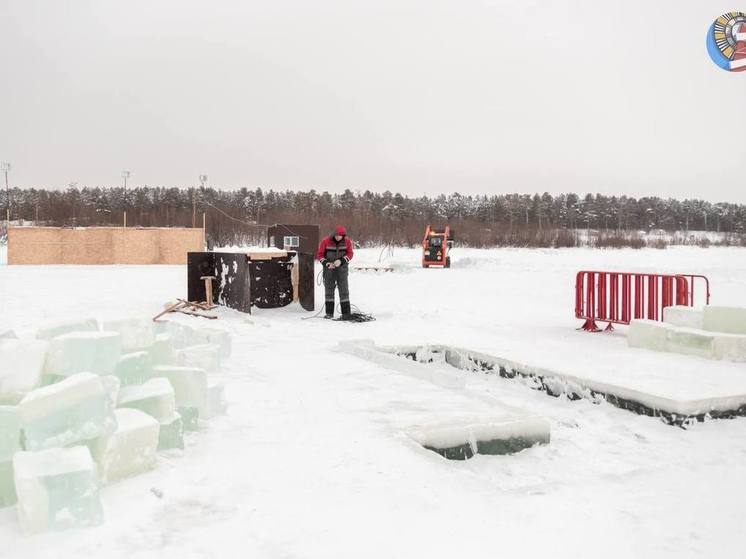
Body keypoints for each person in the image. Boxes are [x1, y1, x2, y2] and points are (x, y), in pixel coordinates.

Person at [316, 225, 354, 318]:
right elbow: (319, 255)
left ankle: (346, 313)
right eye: (336, 235)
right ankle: (329, 313)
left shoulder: (347, 241)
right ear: (333, 234)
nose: (338, 237)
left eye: (340, 236)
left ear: (343, 236)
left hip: (342, 270)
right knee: (329, 291)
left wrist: (342, 261)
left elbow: (350, 254)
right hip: (329, 270)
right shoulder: (325, 241)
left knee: (344, 290)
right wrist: (326, 263)